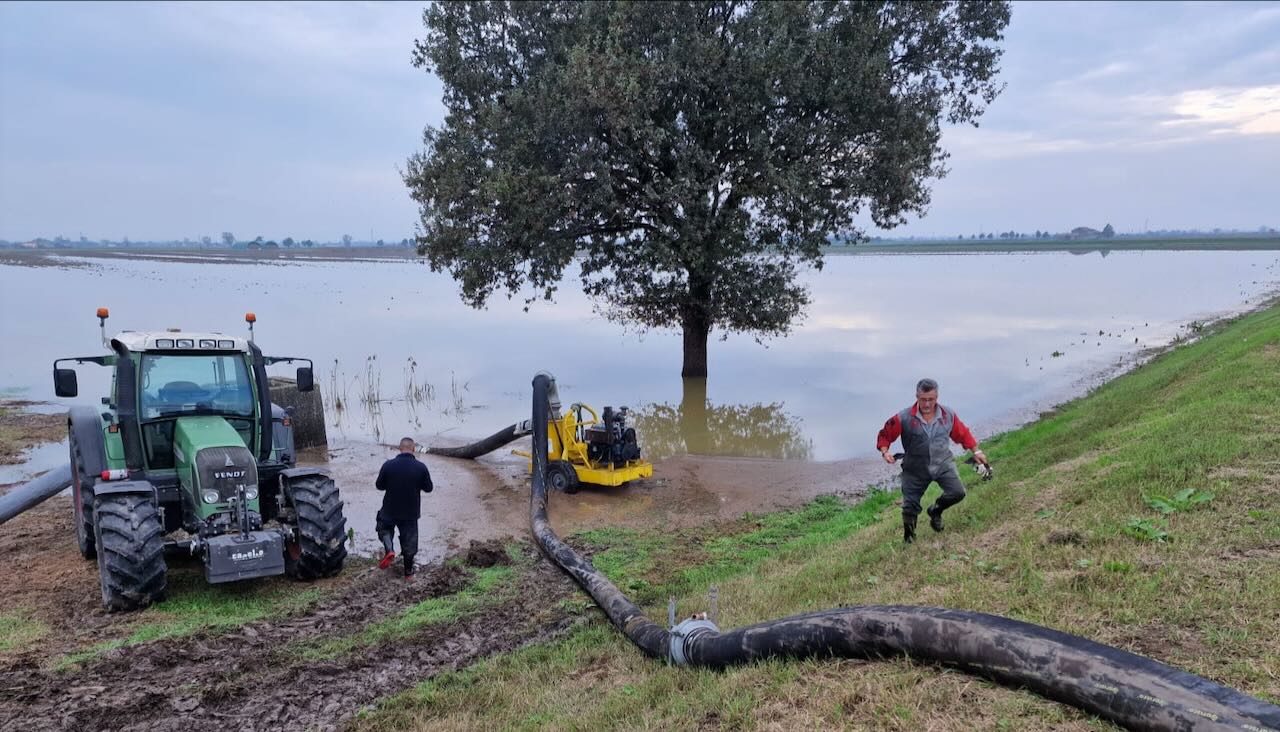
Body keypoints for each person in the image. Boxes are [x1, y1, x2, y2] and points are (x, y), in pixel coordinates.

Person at [876, 378, 988, 544]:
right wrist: (885, 452)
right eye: (923, 400)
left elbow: (962, 434)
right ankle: (909, 539)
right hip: (915, 468)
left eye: (931, 399)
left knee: (958, 493)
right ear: (917, 396)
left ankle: (936, 510)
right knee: (909, 507)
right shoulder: (903, 417)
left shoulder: (947, 414)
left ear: (937, 397)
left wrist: (976, 450)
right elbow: (885, 435)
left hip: (942, 464)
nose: (927, 404)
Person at [375, 437, 434, 579]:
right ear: (413, 449)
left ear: (399, 448)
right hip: (410, 513)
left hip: (389, 510)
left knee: (383, 528)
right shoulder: (421, 467)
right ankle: (408, 573)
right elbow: (429, 489)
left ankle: (389, 549)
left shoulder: (388, 465)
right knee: (410, 542)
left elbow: (379, 486)